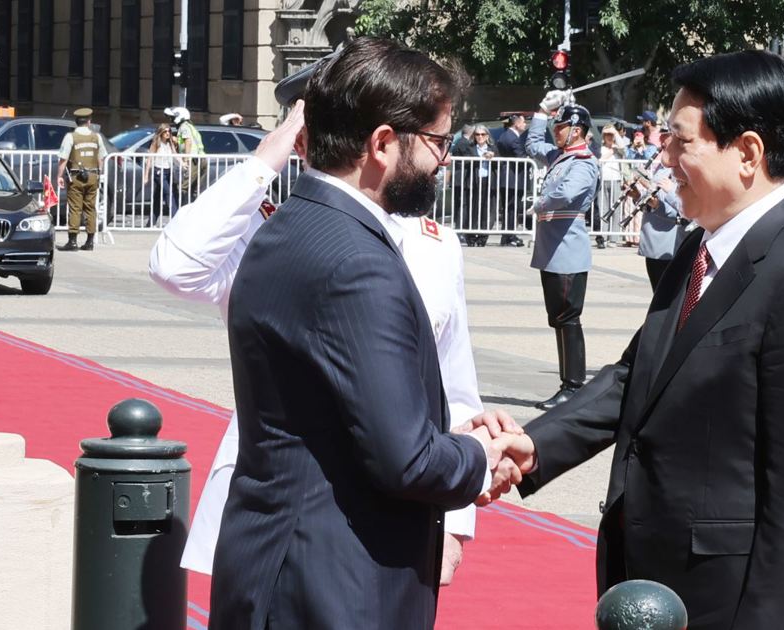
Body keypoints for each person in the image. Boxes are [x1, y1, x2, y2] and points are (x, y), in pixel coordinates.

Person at [500, 49, 784, 630]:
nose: (663, 158)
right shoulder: (702, 246)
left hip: (735, 599)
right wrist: (534, 446)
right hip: (665, 580)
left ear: (747, 153)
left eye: (680, 141)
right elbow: (636, 376)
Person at [208, 38, 523, 629]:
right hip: (334, 587)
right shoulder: (357, 261)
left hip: (279, 569)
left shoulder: (292, 227)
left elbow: (344, 413)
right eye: (437, 142)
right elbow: (405, 460)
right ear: (382, 143)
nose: (445, 161)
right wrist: (483, 455)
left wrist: (453, 431)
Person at [154, 88, 487, 591]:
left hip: (394, 526)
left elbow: (452, 387)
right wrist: (269, 155)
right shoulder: (278, 232)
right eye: (436, 141)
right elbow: (176, 267)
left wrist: (455, 526)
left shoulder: (435, 245)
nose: (442, 159)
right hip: (284, 527)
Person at [525, 93, 600, 410]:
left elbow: (567, 194)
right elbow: (531, 146)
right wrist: (541, 111)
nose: (556, 131)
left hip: (567, 252)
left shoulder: (583, 163)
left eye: (560, 126)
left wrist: (540, 203)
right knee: (559, 319)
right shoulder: (560, 157)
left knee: (568, 319)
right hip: (553, 251)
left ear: (577, 129)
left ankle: (572, 387)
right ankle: (568, 384)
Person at [55, 107, 107, 252]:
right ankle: (90, 242)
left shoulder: (70, 137)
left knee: (75, 208)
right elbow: (101, 158)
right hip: (92, 176)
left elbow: (63, 159)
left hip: (76, 177)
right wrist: (98, 174)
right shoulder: (97, 137)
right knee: (90, 208)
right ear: (89, 122)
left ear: (76, 122)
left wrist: (59, 176)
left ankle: (72, 242)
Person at [632, 160, 688, 289]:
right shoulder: (661, 167)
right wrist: (638, 196)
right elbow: (653, 200)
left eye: (666, 138)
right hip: (652, 242)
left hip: (668, 243)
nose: (662, 142)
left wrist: (660, 194)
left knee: (668, 298)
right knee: (658, 294)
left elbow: (685, 209)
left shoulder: (683, 167)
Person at [451, 124, 496, 247]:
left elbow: (500, 163)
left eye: (482, 134)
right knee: (471, 209)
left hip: (488, 182)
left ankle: (482, 237)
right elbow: (467, 159)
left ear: (487, 136)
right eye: (477, 134)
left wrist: (493, 156)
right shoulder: (469, 147)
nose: (480, 137)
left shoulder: (493, 147)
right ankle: (470, 237)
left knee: (487, 210)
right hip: (473, 182)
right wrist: (480, 157)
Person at [492, 113, 528, 247]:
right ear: (517, 124)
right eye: (523, 122)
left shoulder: (507, 135)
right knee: (512, 207)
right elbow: (521, 156)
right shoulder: (512, 138)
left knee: (510, 207)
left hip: (510, 176)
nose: (525, 125)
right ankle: (509, 236)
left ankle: (507, 235)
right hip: (512, 177)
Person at [142, 123, 181, 222]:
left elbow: (175, 155)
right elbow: (150, 159)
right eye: (165, 132)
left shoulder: (170, 143)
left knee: (158, 197)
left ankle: (151, 222)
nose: (168, 134)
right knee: (168, 193)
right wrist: (146, 175)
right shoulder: (156, 143)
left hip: (168, 171)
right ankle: (176, 219)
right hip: (159, 171)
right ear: (161, 133)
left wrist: (183, 163)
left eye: (169, 131)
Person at [165, 106, 206, 201]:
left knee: (184, 188)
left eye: (173, 117)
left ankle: (182, 211)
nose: (172, 119)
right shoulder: (189, 126)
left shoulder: (184, 127)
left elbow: (188, 141)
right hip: (201, 158)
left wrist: (186, 159)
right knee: (194, 190)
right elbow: (183, 141)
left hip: (194, 160)